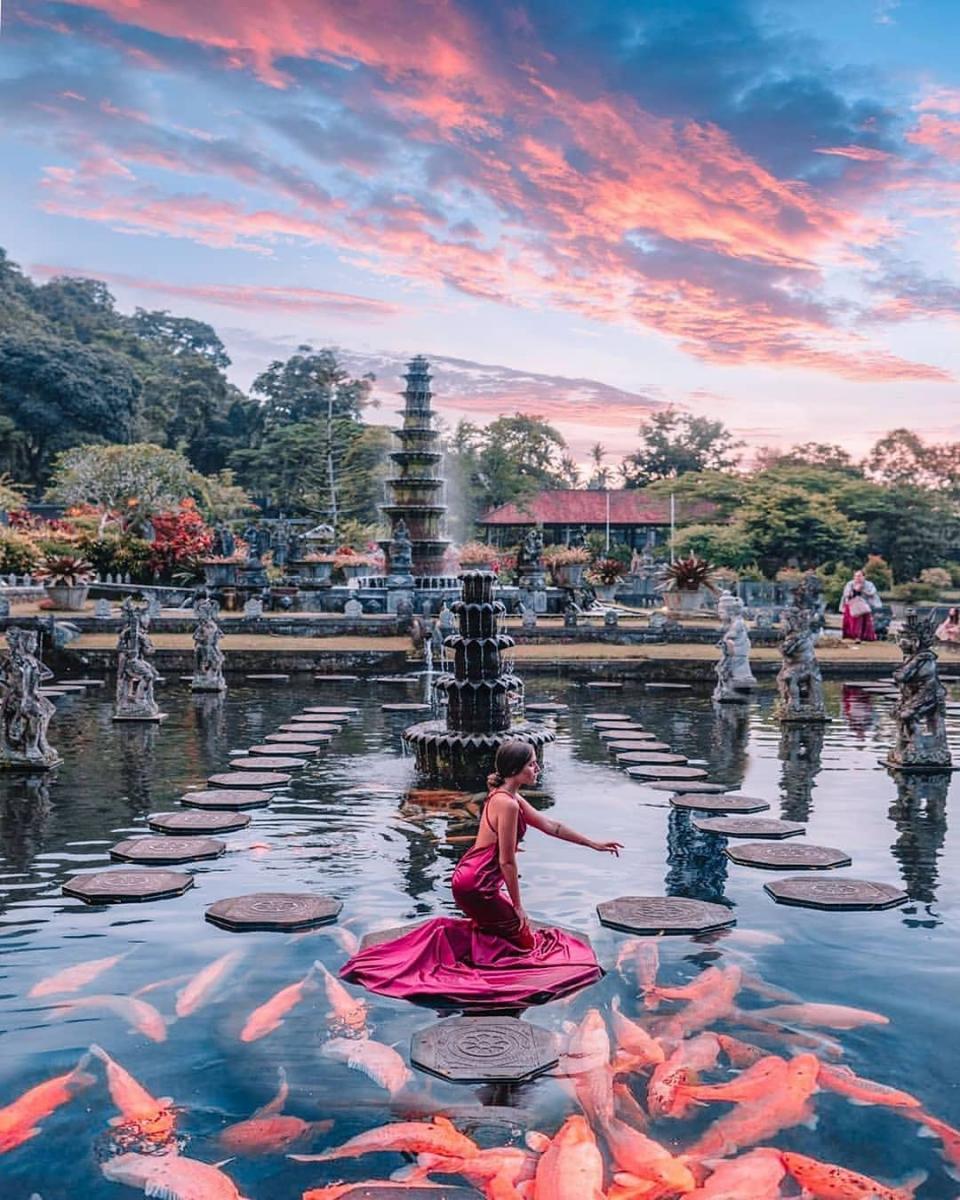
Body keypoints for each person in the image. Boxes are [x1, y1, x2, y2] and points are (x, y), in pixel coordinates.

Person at [339, 740, 622, 1007]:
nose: (537, 769)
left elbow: (551, 825)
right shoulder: (508, 804)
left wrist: (593, 843)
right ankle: (447, 942)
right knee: (526, 946)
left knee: (508, 934)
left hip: (469, 877)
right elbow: (507, 862)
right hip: (477, 886)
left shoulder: (508, 796)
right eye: (532, 764)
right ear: (515, 769)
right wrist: (518, 906)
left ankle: (460, 938)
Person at [839, 569, 882, 644]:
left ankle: (861, 637)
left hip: (864, 606)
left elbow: (872, 593)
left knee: (863, 622)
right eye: (856, 576)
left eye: (859, 576)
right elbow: (846, 594)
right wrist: (852, 591)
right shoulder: (850, 583)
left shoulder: (869, 584)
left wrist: (862, 590)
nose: (857, 578)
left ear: (863, 577)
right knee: (852, 622)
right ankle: (852, 636)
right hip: (852, 605)